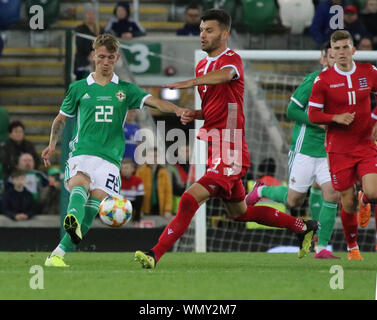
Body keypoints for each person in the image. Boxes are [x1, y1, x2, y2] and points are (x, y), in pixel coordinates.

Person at [135, 9, 318, 270]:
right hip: (215, 146)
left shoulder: (231, 60)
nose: (203, 35)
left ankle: (154, 254)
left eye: (209, 30)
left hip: (231, 149)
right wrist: (195, 113)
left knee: (188, 199)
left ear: (225, 33)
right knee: (240, 213)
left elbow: (227, 75)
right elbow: (217, 108)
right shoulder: (202, 64)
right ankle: (303, 227)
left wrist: (190, 82)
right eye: (201, 30)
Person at [42, 33, 188, 267]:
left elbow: (156, 102)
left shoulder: (126, 89)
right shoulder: (78, 88)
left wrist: (177, 109)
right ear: (93, 56)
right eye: (101, 56)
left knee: (96, 203)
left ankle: (57, 254)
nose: (106, 61)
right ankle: (71, 221)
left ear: (117, 58)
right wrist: (51, 145)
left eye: (110, 57)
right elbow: (60, 120)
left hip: (110, 159)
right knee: (80, 182)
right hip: (83, 151)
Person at [247, 43, 340, 259]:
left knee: (332, 194)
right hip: (305, 147)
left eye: (339, 55)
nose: (336, 59)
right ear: (324, 59)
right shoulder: (313, 81)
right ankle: (261, 191)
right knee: (293, 200)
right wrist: (319, 123)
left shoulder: (346, 86)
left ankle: (322, 247)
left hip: (330, 149)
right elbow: (291, 110)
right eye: (331, 55)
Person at [308, 30, 377, 260]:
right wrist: (334, 118)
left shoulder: (369, 72)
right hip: (338, 149)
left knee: (373, 192)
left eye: (345, 47)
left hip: (366, 144)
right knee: (346, 201)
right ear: (330, 52)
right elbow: (313, 114)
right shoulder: (323, 80)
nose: (341, 53)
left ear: (353, 50)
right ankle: (352, 247)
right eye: (336, 49)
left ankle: (365, 199)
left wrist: (375, 119)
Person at [135, 147, 173, 219]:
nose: (153, 158)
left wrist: (167, 210)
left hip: (160, 208)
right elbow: (137, 193)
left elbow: (168, 192)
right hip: (145, 209)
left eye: (156, 156)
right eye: (150, 156)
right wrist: (138, 210)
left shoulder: (164, 172)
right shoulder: (140, 172)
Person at [74, 3, 103, 80]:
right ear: (84, 15)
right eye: (88, 14)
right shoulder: (79, 29)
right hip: (83, 59)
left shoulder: (100, 29)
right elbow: (80, 45)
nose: (90, 16)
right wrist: (92, 53)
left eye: (92, 14)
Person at [120, 157, 144, 222]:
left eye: (126, 168)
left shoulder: (138, 181)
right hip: (119, 210)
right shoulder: (118, 180)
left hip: (132, 210)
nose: (124, 170)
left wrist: (137, 213)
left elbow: (139, 199)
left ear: (132, 169)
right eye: (122, 168)